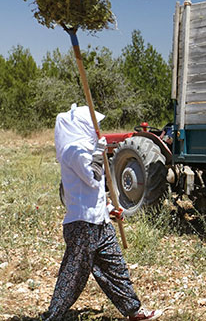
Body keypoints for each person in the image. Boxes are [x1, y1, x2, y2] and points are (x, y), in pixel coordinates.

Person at [43, 104, 162, 320]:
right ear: (83, 126)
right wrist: (99, 152)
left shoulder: (86, 150)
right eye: (94, 125)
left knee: (115, 268)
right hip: (82, 225)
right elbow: (92, 177)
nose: (97, 129)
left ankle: (133, 310)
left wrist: (109, 209)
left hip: (99, 222)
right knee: (73, 276)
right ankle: (53, 316)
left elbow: (95, 191)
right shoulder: (73, 152)